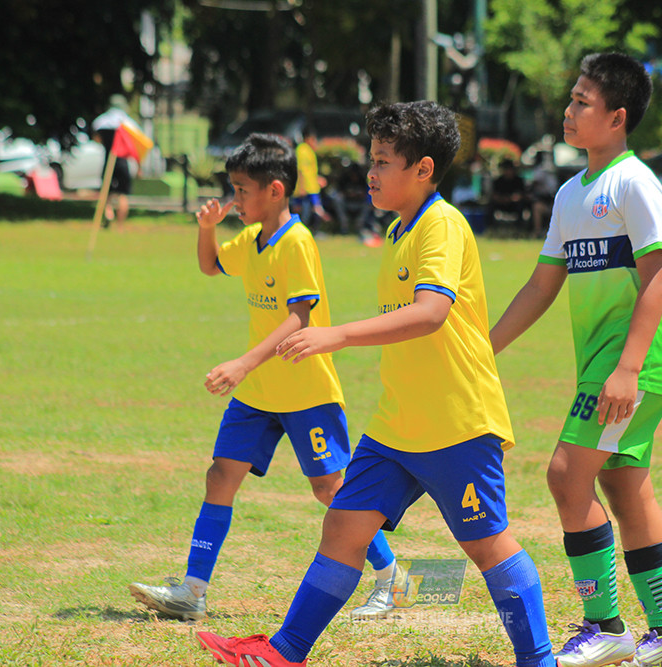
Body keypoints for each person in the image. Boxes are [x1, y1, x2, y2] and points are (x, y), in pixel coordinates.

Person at [194, 101, 556, 667]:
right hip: (397, 422)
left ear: (423, 170)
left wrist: (336, 336)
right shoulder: (398, 228)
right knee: (342, 527)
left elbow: (431, 312)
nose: (371, 171)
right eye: (372, 158)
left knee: (486, 544)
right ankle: (284, 653)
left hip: (455, 419)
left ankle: (539, 661)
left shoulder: (441, 224)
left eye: (384, 161)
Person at [128, 132, 401, 623]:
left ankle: (391, 579)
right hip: (258, 394)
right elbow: (211, 265)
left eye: (242, 190)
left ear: (275, 190)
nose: (235, 200)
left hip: (305, 390)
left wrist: (243, 362)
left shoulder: (295, 242)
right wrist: (207, 228)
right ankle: (193, 591)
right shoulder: (250, 238)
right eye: (232, 189)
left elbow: (301, 317)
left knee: (331, 490)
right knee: (220, 476)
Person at [490, 53, 662, 667]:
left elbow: (657, 275)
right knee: (623, 484)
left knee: (565, 474)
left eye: (584, 101)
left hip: (639, 360)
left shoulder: (635, 183)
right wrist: (483, 346)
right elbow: (540, 286)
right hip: (607, 363)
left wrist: (629, 369)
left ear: (617, 118)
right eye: (572, 98)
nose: (570, 109)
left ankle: (604, 626)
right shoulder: (569, 194)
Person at [92, 95, 135, 231]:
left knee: (105, 191)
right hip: (122, 162)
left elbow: (96, 138)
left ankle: (108, 212)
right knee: (123, 194)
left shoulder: (101, 121)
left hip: (108, 158)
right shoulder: (127, 122)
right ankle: (120, 225)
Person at [292, 125, 330, 231]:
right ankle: (308, 229)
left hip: (311, 186)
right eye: (314, 139)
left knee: (308, 209)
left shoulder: (308, 150)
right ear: (308, 138)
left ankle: (313, 229)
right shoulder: (302, 150)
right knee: (304, 210)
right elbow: (301, 170)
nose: (315, 142)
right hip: (306, 187)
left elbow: (309, 170)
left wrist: (317, 178)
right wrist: (302, 187)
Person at [490, 157, 529, 228]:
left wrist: (513, 198)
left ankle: (520, 227)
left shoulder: (518, 181)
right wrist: (503, 199)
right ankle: (491, 227)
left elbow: (522, 195)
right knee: (490, 205)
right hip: (501, 203)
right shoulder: (498, 181)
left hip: (514, 204)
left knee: (522, 205)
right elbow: (494, 195)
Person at [529, 151, 559, 238]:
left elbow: (535, 183)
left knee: (537, 207)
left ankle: (552, 233)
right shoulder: (550, 168)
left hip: (551, 200)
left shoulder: (542, 169)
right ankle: (537, 232)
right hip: (544, 199)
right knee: (537, 207)